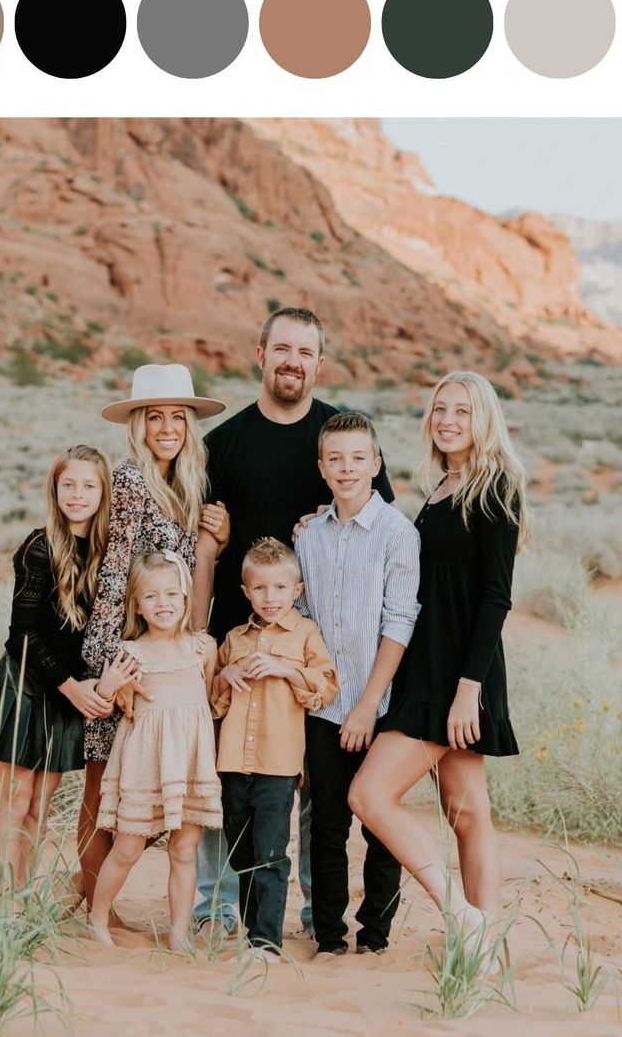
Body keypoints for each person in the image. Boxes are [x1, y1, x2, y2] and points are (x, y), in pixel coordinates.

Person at [194, 307, 395, 938]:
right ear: (260, 354)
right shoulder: (222, 444)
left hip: (319, 646)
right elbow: (201, 538)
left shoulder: (339, 439)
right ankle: (218, 906)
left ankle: (312, 910)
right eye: (281, 349)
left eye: (304, 352)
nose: (292, 362)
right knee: (231, 778)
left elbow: (377, 526)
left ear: (319, 363)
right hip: (238, 639)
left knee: (309, 783)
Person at [348, 371, 530, 946]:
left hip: (457, 677)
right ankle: (483, 939)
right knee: (468, 811)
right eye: (440, 409)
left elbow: (497, 595)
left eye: (462, 411)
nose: (448, 420)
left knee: (369, 795)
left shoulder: (495, 487)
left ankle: (462, 914)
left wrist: (468, 687)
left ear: (484, 420)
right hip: (427, 668)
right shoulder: (442, 486)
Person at [79, 364, 228, 912]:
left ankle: (96, 902)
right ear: (138, 424)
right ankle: (93, 904)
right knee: (106, 787)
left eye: (176, 418)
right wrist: (111, 664)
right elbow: (114, 574)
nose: (167, 428)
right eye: (154, 417)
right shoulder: (130, 481)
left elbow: (187, 577)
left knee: (124, 787)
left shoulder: (183, 485)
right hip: (126, 653)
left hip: (167, 654)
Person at [0, 444, 138, 885]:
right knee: (15, 800)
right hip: (28, 683)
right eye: (68, 485)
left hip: (68, 693)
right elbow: (20, 633)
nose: (77, 495)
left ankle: (22, 899)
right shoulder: (41, 546)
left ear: (104, 492)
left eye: (88, 486)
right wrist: (71, 686)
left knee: (42, 804)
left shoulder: (107, 555)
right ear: (55, 489)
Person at [295, 412, 421, 957]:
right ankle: (329, 937)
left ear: (376, 463)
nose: (347, 468)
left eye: (357, 457)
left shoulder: (398, 532)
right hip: (323, 705)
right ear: (322, 468)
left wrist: (368, 705)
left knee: (377, 823)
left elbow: (399, 621)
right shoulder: (309, 537)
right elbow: (301, 615)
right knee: (325, 824)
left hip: (381, 704)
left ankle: (374, 937)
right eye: (335, 459)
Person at [211, 538, 338, 960]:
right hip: (232, 762)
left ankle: (267, 941)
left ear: (297, 590)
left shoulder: (305, 634)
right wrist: (224, 674)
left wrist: (287, 670)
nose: (271, 598)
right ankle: (252, 932)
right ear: (246, 592)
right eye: (261, 589)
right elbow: (215, 701)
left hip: (278, 765)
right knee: (241, 851)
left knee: (270, 853)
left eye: (280, 588)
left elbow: (324, 688)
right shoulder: (233, 639)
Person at [89, 551, 222, 952]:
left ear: (186, 598)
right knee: (128, 847)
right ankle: (97, 918)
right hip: (146, 763)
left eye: (171, 594)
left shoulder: (202, 647)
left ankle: (178, 932)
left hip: (190, 760)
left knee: (184, 849)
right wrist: (108, 685)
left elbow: (212, 701)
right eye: (151, 596)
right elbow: (113, 705)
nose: (163, 603)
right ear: (137, 604)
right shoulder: (133, 653)